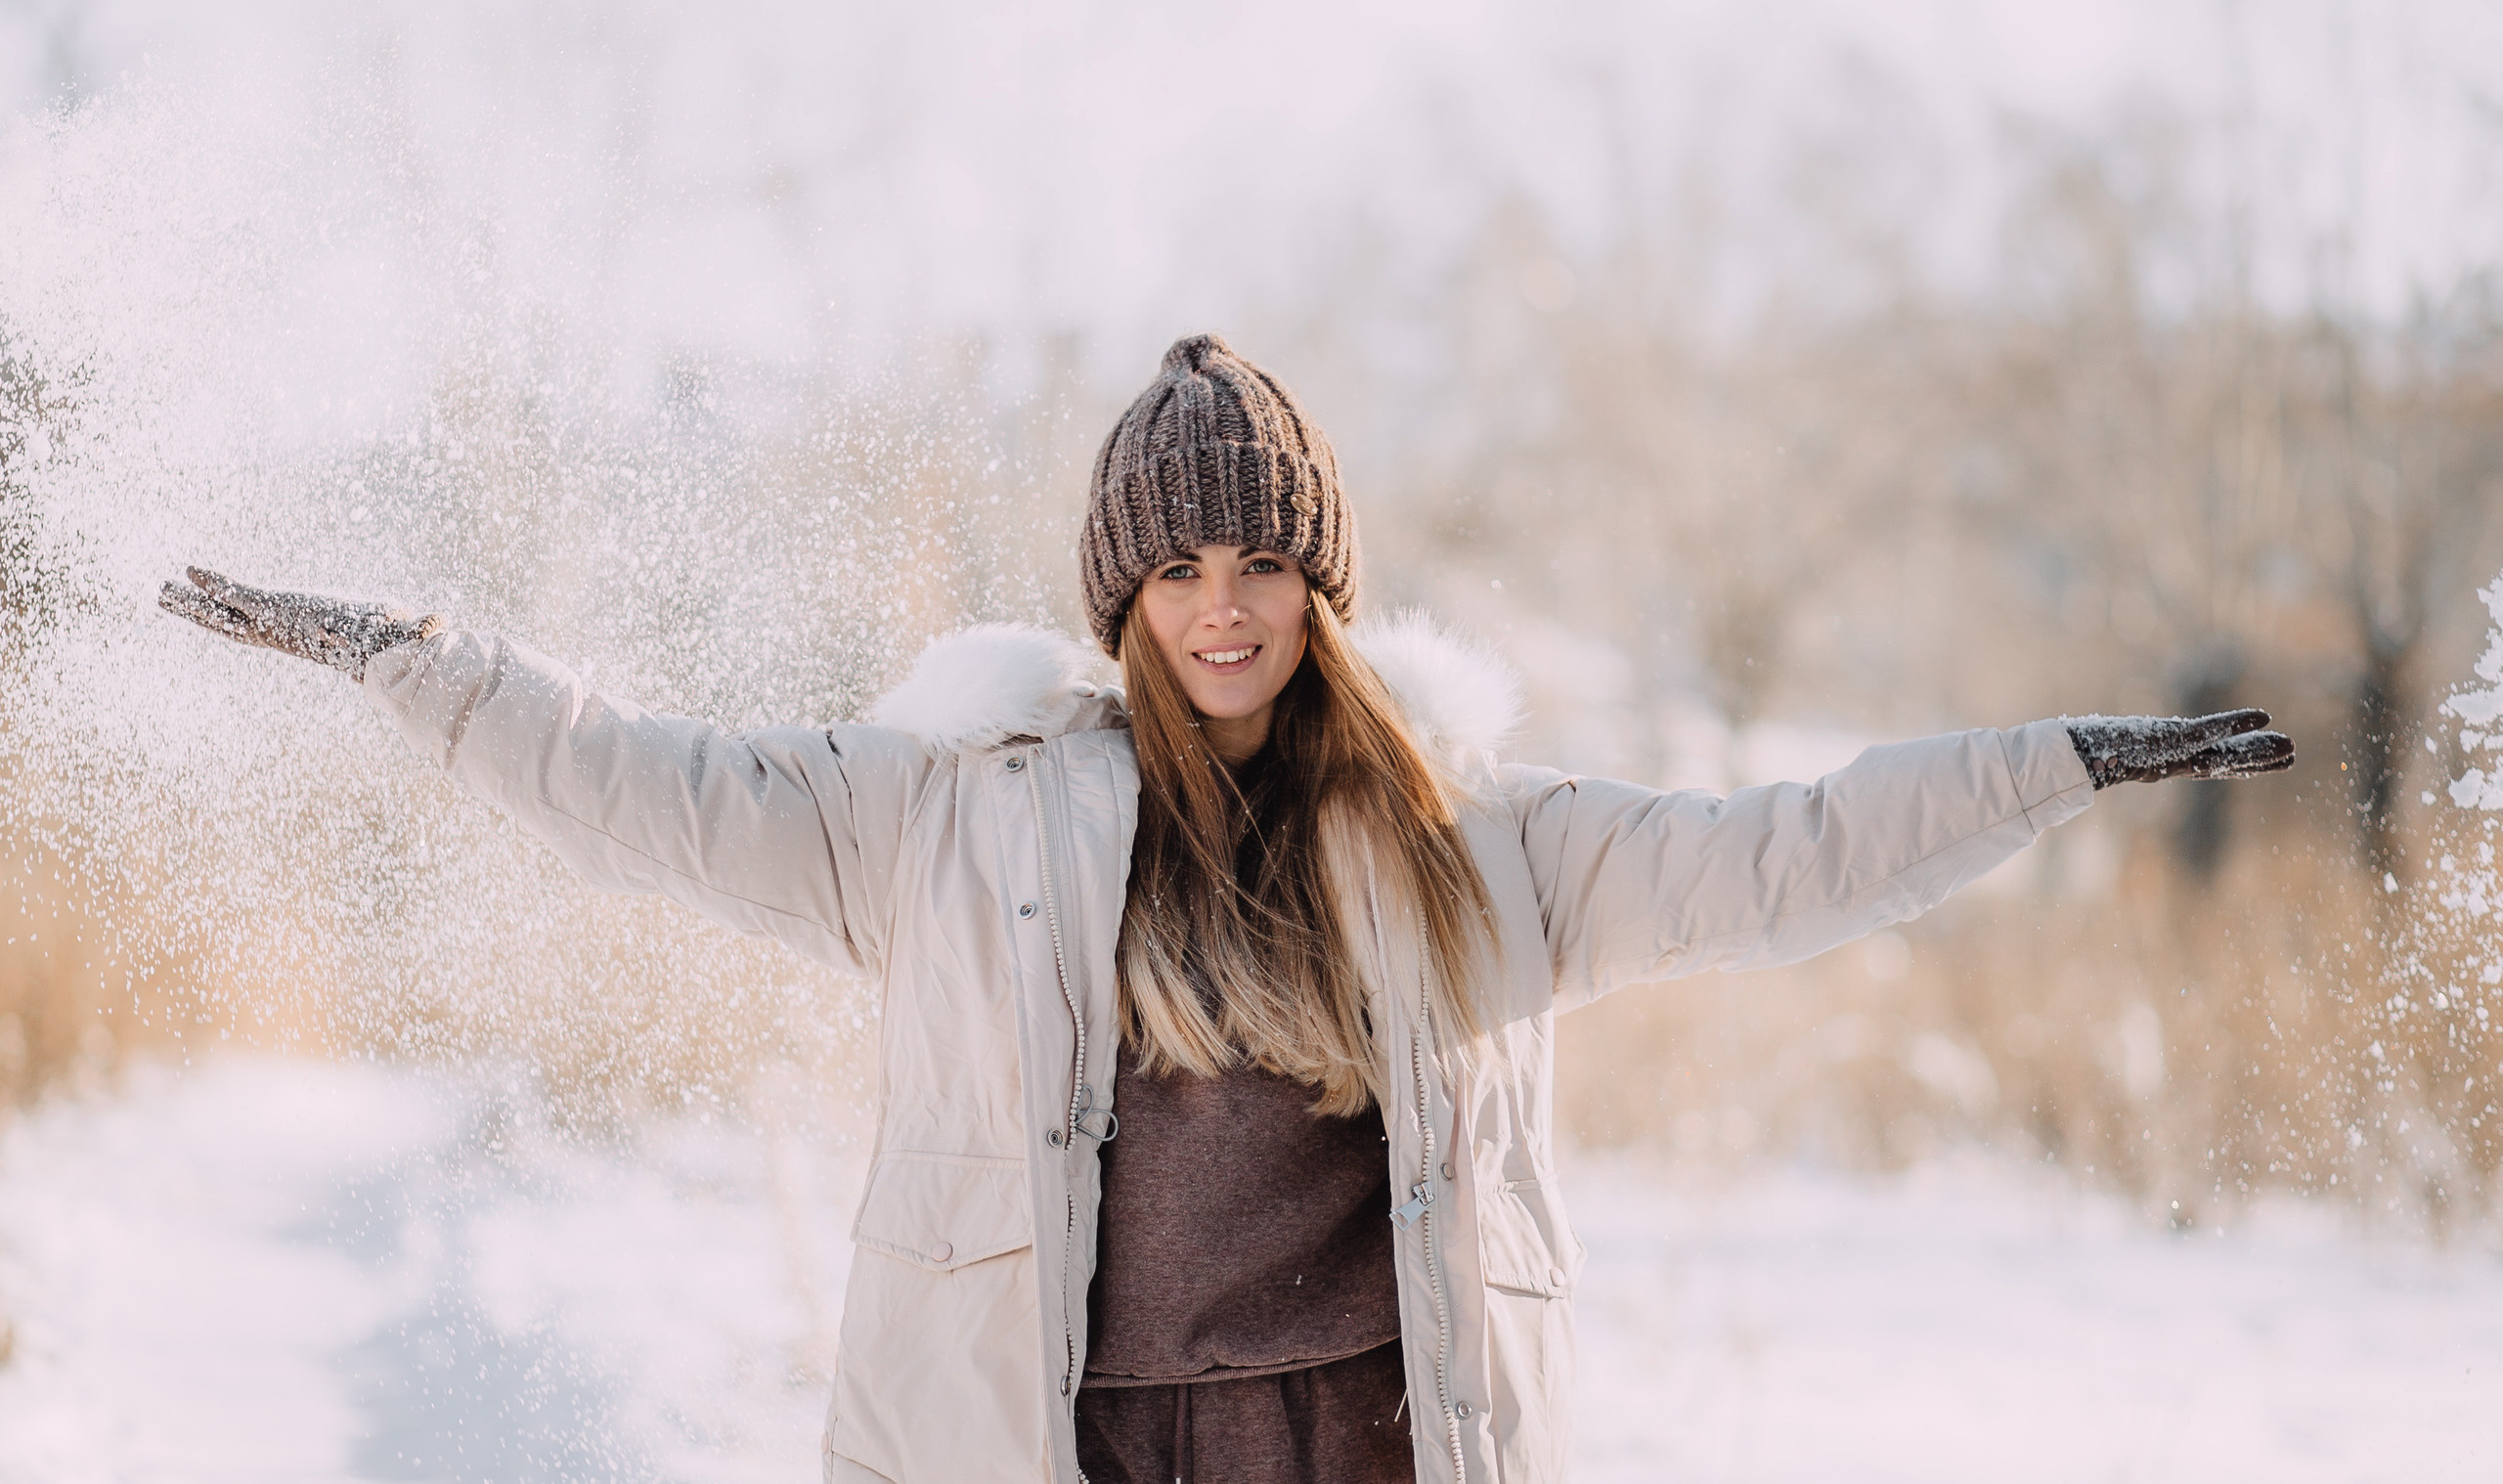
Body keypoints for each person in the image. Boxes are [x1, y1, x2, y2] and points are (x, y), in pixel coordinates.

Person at [159, 333, 2292, 1484]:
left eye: (1257, 562)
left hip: (1369, 1430)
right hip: (1069, 1433)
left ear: (1317, 587)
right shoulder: (954, 817)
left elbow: (1776, 851)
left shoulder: (1471, 842)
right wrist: (413, 658)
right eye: (1175, 569)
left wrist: (2038, 767)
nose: (1219, 604)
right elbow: (645, 781)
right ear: (1119, 592)